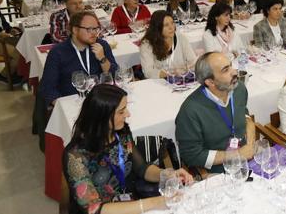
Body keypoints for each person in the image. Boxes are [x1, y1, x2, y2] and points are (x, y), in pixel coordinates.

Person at [64, 84, 192, 214]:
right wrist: (155, 202)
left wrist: (168, 174)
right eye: (121, 111)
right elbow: (94, 209)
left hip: (130, 203)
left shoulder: (121, 132)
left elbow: (142, 168)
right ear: (102, 117)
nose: (128, 114)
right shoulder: (75, 156)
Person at [175, 52, 256, 173]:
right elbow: (191, 155)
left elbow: (245, 116)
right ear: (210, 82)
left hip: (246, 163)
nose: (234, 72)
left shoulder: (238, 89)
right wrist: (237, 154)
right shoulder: (190, 111)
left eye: (230, 65)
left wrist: (249, 145)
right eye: (225, 70)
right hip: (217, 172)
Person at [41, 11, 118, 107]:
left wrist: (102, 59)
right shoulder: (57, 52)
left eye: (96, 29)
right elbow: (48, 88)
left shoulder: (102, 45)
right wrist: (63, 108)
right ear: (75, 30)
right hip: (73, 103)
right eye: (89, 29)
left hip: (101, 102)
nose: (94, 33)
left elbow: (115, 76)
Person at [140, 10, 196, 79]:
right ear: (157, 28)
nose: (171, 27)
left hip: (182, 79)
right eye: (166, 25)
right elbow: (148, 72)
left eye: (172, 23)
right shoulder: (147, 44)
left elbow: (192, 61)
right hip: (160, 82)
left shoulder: (181, 38)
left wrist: (185, 69)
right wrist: (170, 73)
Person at [0, 0, 22, 83]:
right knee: (18, 53)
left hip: (3, 37)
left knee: (24, 45)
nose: (0, 2)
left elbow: (4, 23)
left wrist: (11, 29)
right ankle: (4, 75)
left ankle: (16, 71)